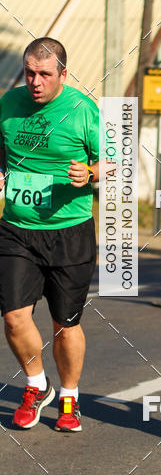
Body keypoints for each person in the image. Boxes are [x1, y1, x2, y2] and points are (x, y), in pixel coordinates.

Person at [0, 38, 107, 431]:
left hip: (69, 230)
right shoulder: (8, 104)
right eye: (30, 72)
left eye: (45, 73)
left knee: (64, 324)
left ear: (63, 73)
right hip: (17, 229)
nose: (35, 81)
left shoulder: (82, 110)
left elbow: (113, 161)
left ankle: (69, 397)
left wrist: (92, 173)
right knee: (13, 318)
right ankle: (34, 384)